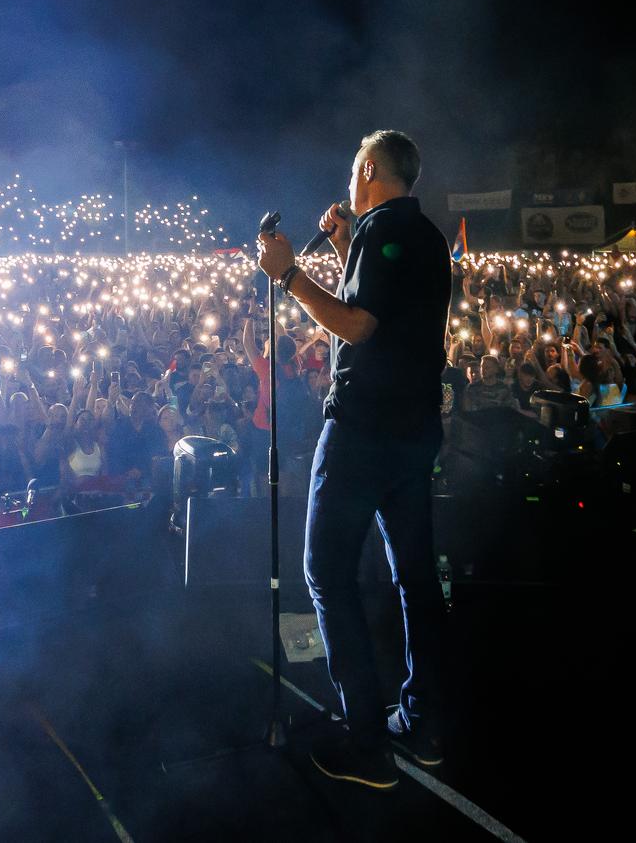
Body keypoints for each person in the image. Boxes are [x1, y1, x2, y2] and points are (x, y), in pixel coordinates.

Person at [256, 129, 450, 788]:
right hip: (415, 429)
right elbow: (384, 308)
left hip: (364, 428)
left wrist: (289, 275)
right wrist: (345, 247)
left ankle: (365, 741)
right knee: (416, 576)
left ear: (369, 167)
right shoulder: (423, 235)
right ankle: (425, 722)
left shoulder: (382, 228)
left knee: (327, 573)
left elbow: (360, 326)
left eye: (352, 170)